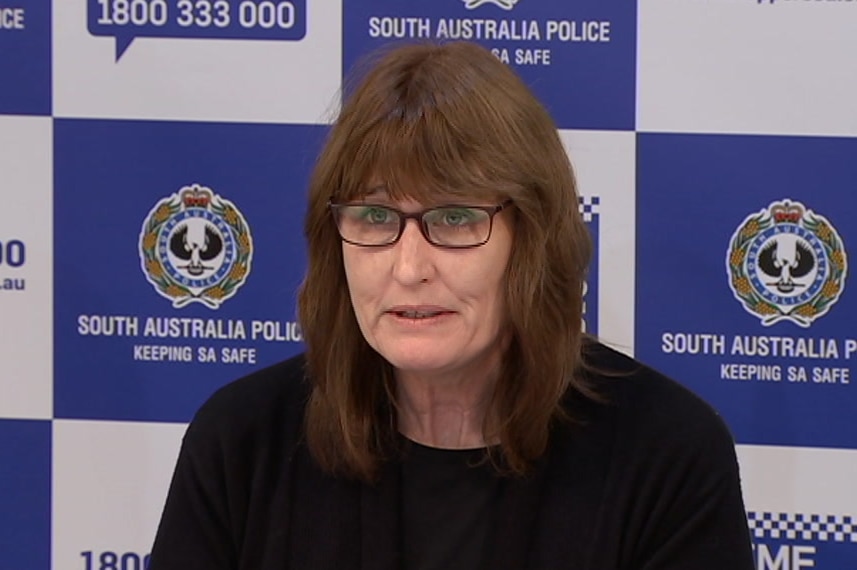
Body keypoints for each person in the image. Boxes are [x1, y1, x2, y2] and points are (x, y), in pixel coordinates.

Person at [148, 41, 755, 570]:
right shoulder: (242, 441)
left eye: (456, 218)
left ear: (533, 241)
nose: (410, 268)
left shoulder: (667, 454)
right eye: (375, 216)